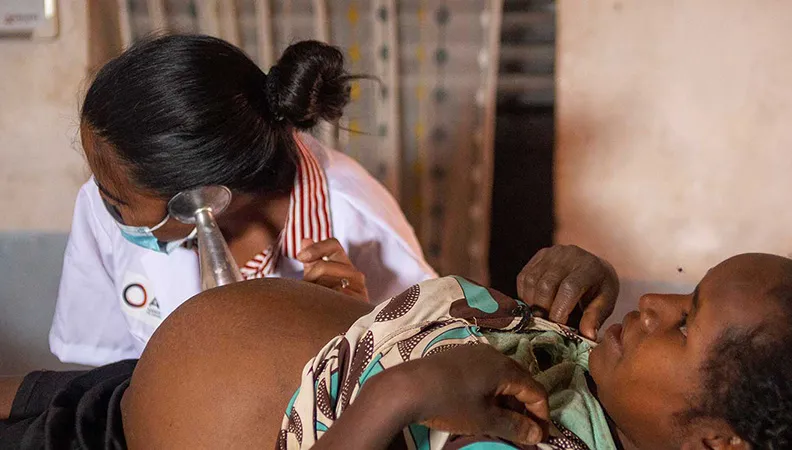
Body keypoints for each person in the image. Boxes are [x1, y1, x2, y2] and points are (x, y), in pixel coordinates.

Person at [2, 246, 789, 448]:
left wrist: (398, 395)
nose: (656, 302)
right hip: (122, 397)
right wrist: (575, 288)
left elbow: (426, 397)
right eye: (685, 290)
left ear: (716, 442)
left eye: (686, 322)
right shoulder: (602, 383)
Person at [50, 34, 436, 367]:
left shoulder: (362, 225)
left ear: (204, 202)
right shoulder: (109, 196)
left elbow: (429, 376)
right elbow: (105, 373)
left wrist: (359, 333)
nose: (99, 201)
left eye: (117, 203)